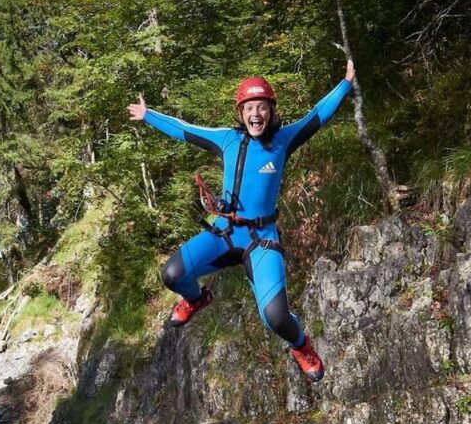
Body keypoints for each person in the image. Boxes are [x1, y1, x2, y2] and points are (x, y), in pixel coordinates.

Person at [127, 61, 355, 382]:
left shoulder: (283, 141)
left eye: (261, 107)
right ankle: (197, 298)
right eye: (249, 108)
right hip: (224, 233)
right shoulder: (228, 140)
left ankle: (302, 346)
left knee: (276, 317)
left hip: (261, 240)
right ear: (241, 113)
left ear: (271, 112)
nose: (255, 114)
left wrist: (345, 83)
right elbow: (186, 130)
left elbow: (317, 115)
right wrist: (149, 115)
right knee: (172, 274)